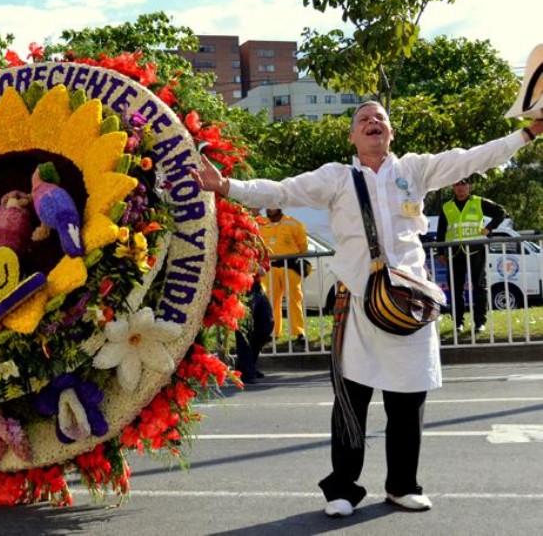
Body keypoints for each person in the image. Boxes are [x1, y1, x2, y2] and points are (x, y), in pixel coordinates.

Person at [191, 101, 543, 518]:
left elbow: (474, 156)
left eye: (380, 119)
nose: (373, 123)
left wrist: (528, 133)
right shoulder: (336, 178)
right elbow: (282, 190)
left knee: (408, 401)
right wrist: (226, 186)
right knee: (351, 401)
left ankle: (402, 485)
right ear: (353, 137)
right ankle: (342, 488)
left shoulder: (415, 170)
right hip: (358, 306)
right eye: (364, 120)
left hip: (410, 308)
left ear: (391, 133)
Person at [436, 179, 508, 333]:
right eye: (457, 184)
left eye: (463, 184)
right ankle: (458, 323)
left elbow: (501, 212)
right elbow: (441, 231)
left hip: (476, 251)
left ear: (469, 186)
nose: (460, 187)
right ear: (453, 187)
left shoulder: (478, 202)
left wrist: (489, 228)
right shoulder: (447, 207)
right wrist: (440, 253)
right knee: (456, 289)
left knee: (480, 287)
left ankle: (479, 322)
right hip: (455, 252)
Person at [258, 208, 308, 345]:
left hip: (289, 266)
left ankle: (299, 332)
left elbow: (303, 247)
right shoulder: (261, 224)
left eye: (272, 205)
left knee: (294, 298)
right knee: (271, 300)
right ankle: (273, 332)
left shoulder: (294, 224)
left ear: (280, 207)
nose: (269, 208)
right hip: (270, 268)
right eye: (267, 206)